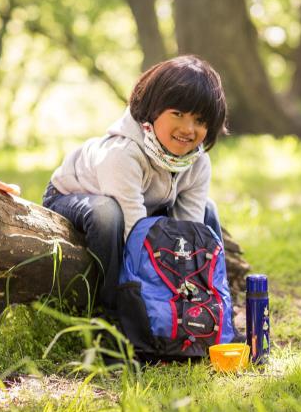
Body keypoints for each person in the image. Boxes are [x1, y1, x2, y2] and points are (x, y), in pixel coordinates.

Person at [42, 55, 228, 314]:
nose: (188, 128)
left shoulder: (198, 163)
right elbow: (134, 234)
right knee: (108, 214)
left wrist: (183, 292)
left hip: (144, 208)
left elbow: (188, 232)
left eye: (199, 120)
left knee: (208, 211)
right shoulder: (123, 153)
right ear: (154, 110)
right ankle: (111, 313)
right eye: (177, 114)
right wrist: (146, 302)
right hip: (76, 197)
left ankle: (206, 308)